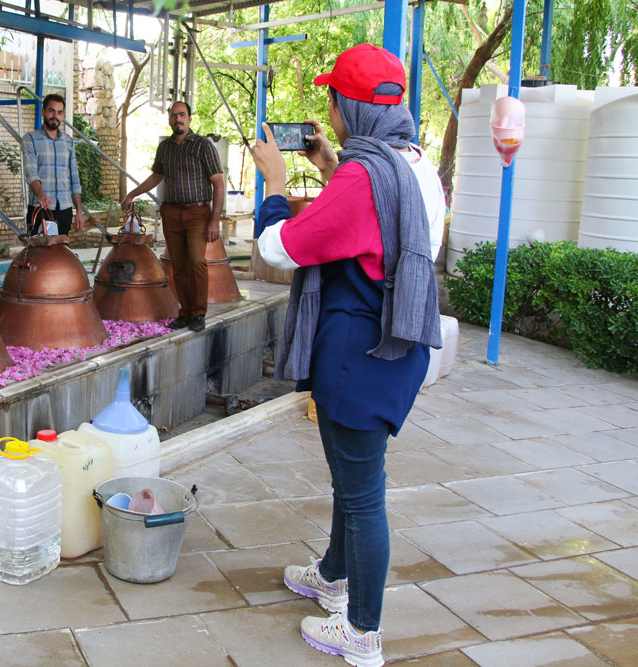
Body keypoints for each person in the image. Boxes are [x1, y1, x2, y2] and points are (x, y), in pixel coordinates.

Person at [250, 44, 443, 667]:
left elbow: (284, 248)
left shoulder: (365, 177)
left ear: (350, 106)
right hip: (395, 346)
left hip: (358, 353)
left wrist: (277, 185)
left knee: (362, 494)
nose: (328, 110)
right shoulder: (411, 163)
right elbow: (371, 225)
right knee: (350, 477)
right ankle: (334, 573)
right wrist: (331, 163)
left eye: (333, 99)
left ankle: (362, 632)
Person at [122, 100, 223, 332]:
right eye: (174, 115)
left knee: (196, 261)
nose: (178, 119)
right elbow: (156, 176)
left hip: (197, 213)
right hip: (171, 212)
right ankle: (185, 312)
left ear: (189, 119)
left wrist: (214, 220)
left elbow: (218, 183)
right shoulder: (165, 147)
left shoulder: (203, 146)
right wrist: (132, 194)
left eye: (182, 115)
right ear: (169, 119)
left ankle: (199, 313)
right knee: (178, 266)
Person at [21, 93, 85, 236]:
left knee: (62, 256)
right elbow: (30, 173)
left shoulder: (68, 141)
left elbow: (75, 179)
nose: (55, 115)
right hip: (41, 210)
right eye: (51, 111)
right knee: (39, 256)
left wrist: (79, 211)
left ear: (63, 115)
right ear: (43, 112)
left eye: (60, 112)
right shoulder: (30, 139)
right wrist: (41, 195)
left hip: (65, 210)